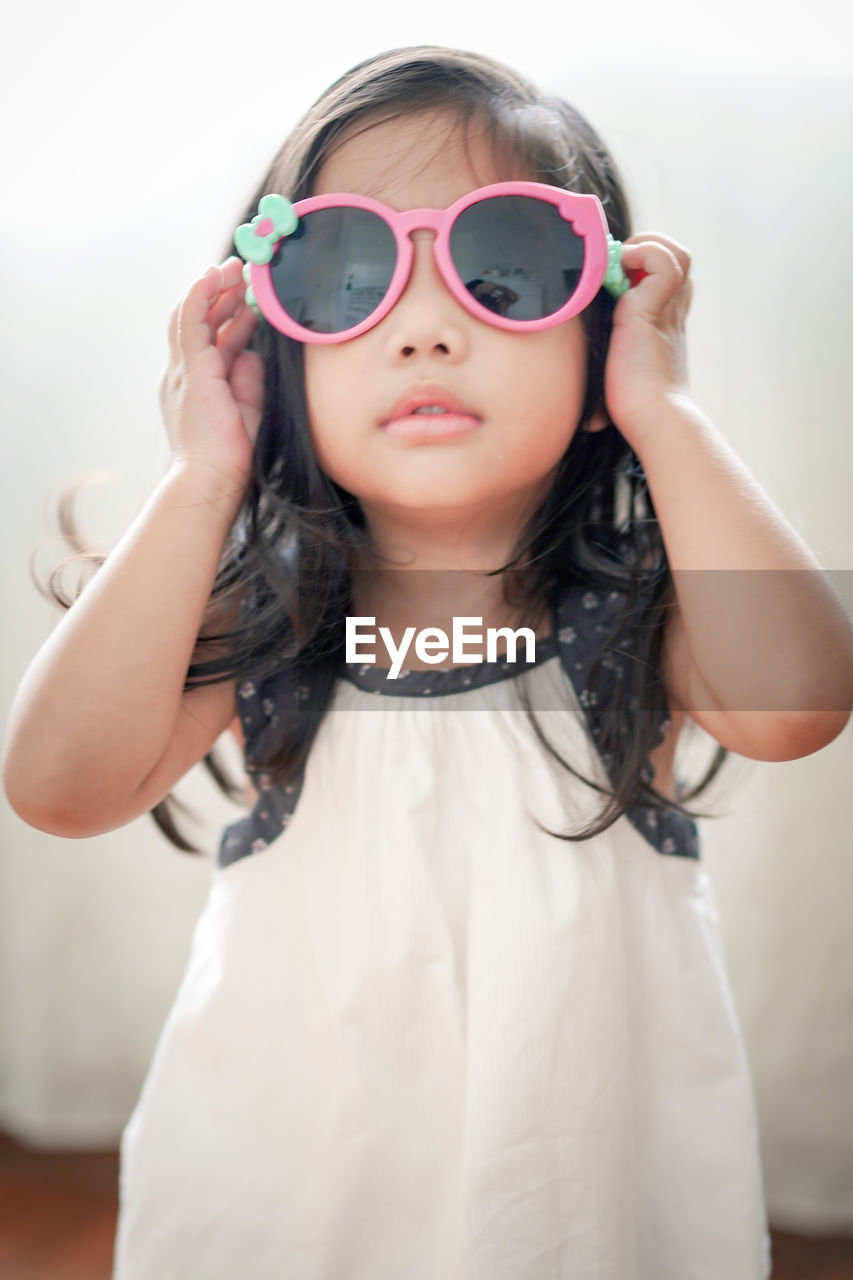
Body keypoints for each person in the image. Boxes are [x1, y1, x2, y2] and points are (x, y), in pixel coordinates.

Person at [3, 45, 852, 1280]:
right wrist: (203, 473)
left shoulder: (640, 613)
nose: (426, 329)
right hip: (291, 1191)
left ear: (603, 346)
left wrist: (667, 409)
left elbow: (802, 701)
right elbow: (55, 787)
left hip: (574, 1198)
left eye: (508, 268)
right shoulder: (265, 620)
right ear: (276, 367)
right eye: (345, 277)